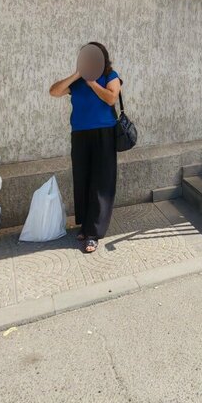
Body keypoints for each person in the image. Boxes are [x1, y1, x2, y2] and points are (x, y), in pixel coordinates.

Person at [49, 42, 121, 253]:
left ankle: (93, 233)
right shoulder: (77, 81)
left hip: (103, 134)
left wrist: (92, 83)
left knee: (101, 181)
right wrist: (77, 75)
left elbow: (111, 98)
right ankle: (85, 224)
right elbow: (54, 91)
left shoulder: (110, 76)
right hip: (80, 134)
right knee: (82, 179)